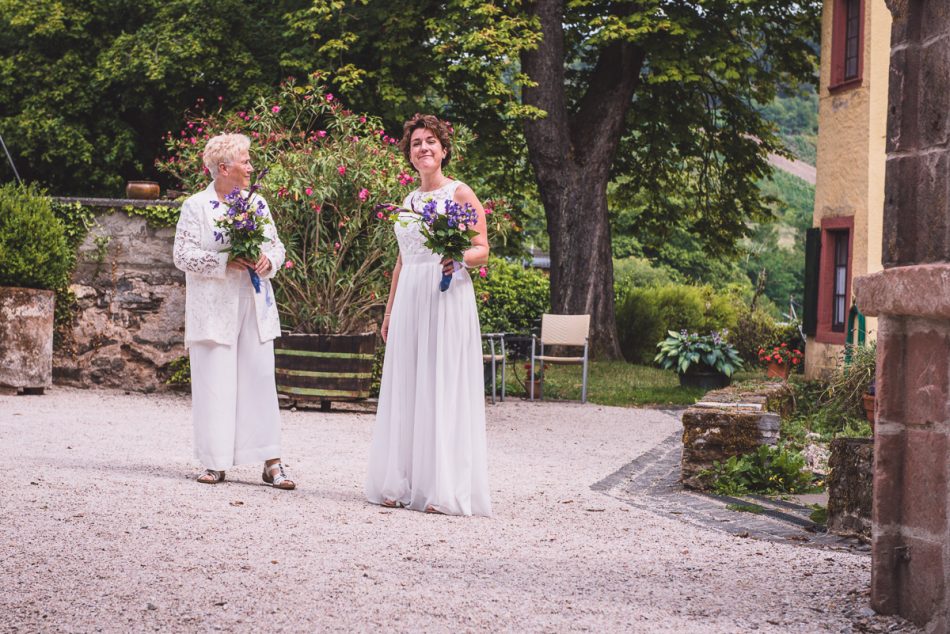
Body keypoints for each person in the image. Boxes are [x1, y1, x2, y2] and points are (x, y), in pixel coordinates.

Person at [365, 114, 492, 516]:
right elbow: (402, 261)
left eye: (431, 141)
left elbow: (482, 247)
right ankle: (401, 482)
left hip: (446, 294)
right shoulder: (408, 202)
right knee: (407, 385)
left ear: (443, 149)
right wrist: (388, 311)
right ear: (410, 154)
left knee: (440, 384)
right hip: (410, 300)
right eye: (417, 142)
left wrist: (458, 257)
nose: (424, 148)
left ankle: (442, 488)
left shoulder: (459, 193)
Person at [173, 133, 295, 490]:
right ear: (224, 167)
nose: (251, 166)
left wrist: (266, 260)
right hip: (212, 309)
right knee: (215, 383)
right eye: (246, 160)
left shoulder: (256, 203)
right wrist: (225, 261)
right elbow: (182, 255)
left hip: (254, 304)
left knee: (260, 382)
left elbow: (277, 246)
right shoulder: (196, 206)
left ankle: (272, 462)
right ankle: (215, 463)